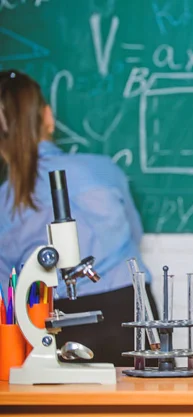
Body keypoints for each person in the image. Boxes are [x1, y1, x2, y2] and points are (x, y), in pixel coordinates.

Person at [0, 70, 158, 366]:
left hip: (49, 318)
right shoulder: (102, 170)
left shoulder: (3, 200)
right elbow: (134, 236)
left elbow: (5, 290)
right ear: (47, 117)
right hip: (130, 309)